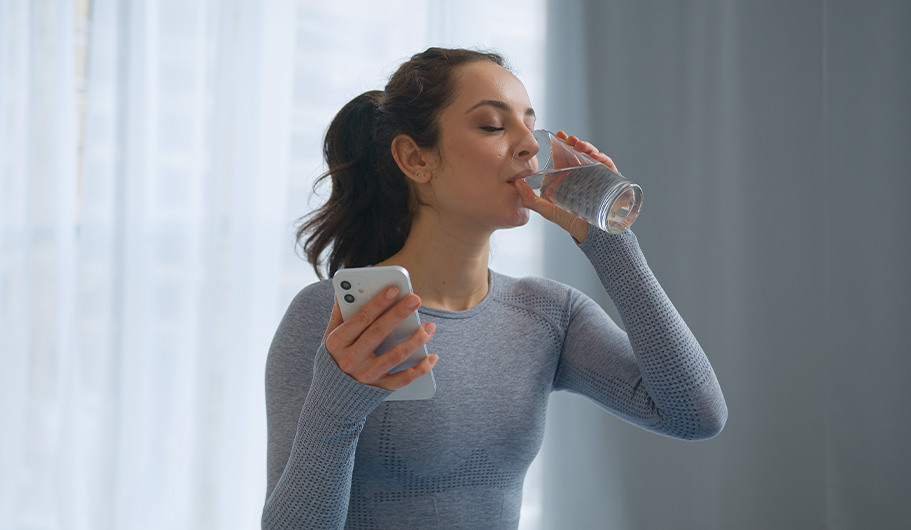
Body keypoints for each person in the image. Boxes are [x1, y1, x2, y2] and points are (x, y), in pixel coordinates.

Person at [261, 47, 727, 530]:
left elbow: (697, 416)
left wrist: (612, 241)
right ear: (415, 158)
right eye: (492, 125)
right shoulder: (334, 320)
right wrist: (339, 399)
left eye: (531, 125)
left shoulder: (550, 314)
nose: (531, 146)